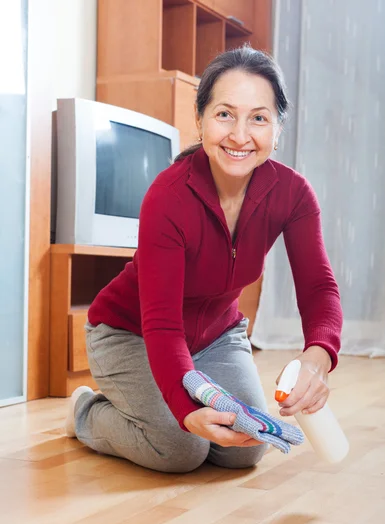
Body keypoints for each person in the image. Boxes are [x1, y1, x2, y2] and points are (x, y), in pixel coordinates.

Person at [65, 45, 343, 473]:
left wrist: (317, 357)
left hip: (216, 335)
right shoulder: (168, 197)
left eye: (258, 118)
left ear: (277, 128)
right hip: (130, 332)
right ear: (200, 120)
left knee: (247, 446)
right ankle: (87, 411)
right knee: (180, 450)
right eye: (225, 114)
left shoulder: (293, 194)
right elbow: (160, 321)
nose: (239, 135)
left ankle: (161, 409)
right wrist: (183, 409)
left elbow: (318, 287)